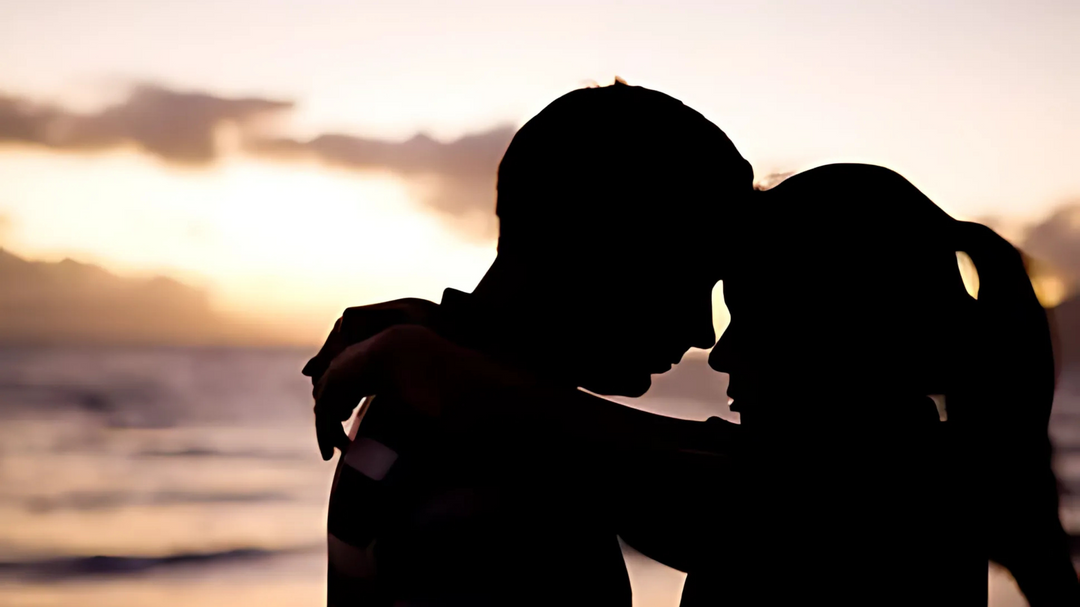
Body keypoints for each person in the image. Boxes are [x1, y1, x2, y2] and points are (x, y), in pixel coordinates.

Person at [308, 162, 1080, 605]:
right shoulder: (906, 473)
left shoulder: (879, 502)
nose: (718, 348)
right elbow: (636, 447)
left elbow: (617, 449)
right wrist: (451, 340)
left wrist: (439, 353)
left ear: (846, 329)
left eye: (758, 318)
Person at [304, 80, 754, 607]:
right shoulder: (490, 468)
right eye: (689, 280)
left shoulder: (466, 410)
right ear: (596, 246)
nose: (704, 333)